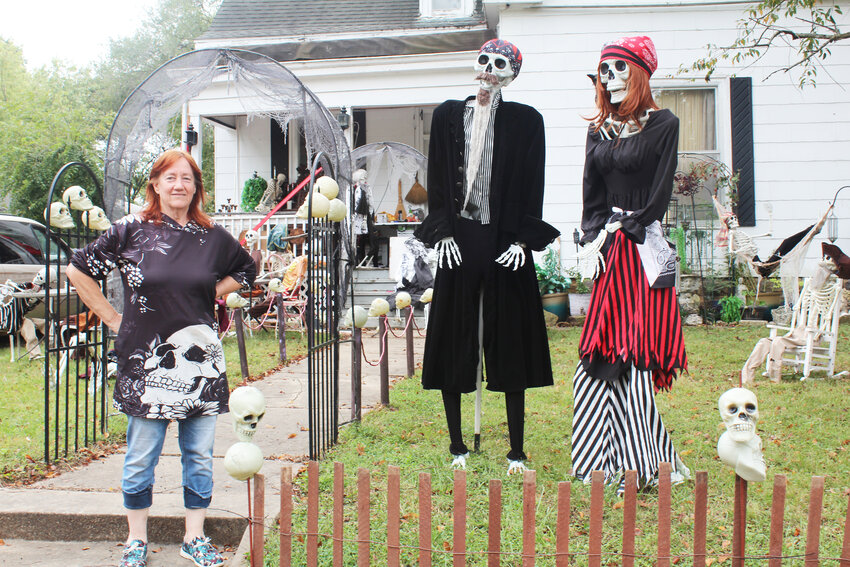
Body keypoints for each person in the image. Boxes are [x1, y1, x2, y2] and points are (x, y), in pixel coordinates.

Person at [67, 149, 256, 567]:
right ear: (155, 183)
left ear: (196, 187)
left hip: (201, 363)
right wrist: (113, 318)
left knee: (199, 456)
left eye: (187, 178)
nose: (178, 185)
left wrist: (212, 292)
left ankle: (194, 536)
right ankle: (136, 539)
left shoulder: (212, 236)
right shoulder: (130, 230)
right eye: (170, 177)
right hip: (146, 362)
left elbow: (246, 268)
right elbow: (78, 270)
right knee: (141, 457)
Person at [415, 39, 559, 474]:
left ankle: (516, 448)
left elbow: (533, 183)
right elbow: (438, 178)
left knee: (511, 338)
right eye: (484, 61)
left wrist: (522, 240)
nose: (489, 70)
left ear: (512, 74)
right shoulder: (445, 116)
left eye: (500, 65)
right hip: (458, 240)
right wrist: (440, 232)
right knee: (454, 337)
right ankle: (457, 444)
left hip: (504, 241)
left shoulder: (526, 121)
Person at [572, 36, 689, 492]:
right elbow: (592, 192)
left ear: (639, 74)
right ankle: (594, 459)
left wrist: (631, 225)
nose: (610, 79)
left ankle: (641, 464)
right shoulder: (598, 130)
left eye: (619, 69)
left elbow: (661, 189)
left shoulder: (664, 124)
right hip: (608, 253)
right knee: (599, 351)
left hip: (641, 252)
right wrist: (591, 238)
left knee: (634, 352)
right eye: (604, 70)